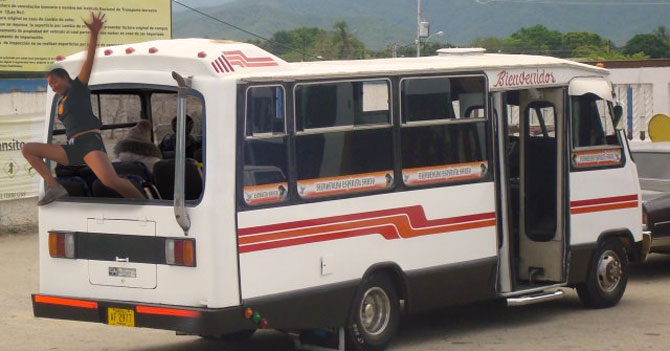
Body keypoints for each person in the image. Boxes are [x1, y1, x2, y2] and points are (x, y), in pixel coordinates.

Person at [21, 12, 145, 205]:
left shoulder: (78, 87)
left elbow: (89, 60)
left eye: (55, 82)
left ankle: (143, 202)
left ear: (65, 78)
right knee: (28, 149)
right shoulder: (60, 99)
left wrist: (94, 34)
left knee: (110, 180)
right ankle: (54, 188)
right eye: (50, 84)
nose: (53, 86)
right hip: (73, 147)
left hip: (88, 142)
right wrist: (60, 61)